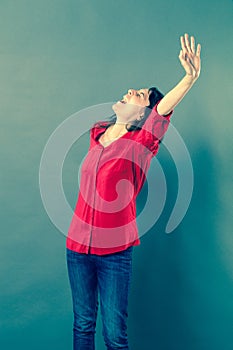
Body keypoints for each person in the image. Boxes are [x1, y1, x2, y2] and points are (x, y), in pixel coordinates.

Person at [66, 33, 201, 350]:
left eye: (138, 95)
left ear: (143, 114)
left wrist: (189, 78)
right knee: (83, 326)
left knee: (114, 335)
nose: (129, 92)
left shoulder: (142, 144)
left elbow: (162, 110)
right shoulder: (96, 134)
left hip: (114, 253)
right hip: (76, 248)